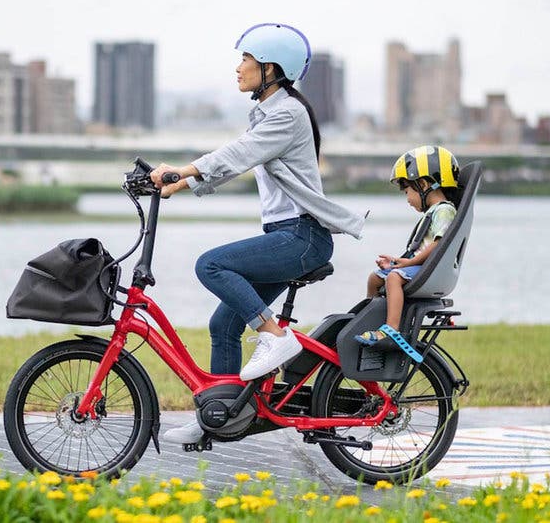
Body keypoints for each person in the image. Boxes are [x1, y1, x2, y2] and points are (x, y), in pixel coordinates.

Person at [150, 23, 364, 444]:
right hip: (289, 236)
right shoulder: (269, 113)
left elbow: (239, 153)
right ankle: (221, 413)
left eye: (245, 60)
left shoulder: (288, 113)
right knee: (223, 325)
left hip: (302, 238)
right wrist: (181, 183)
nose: (238, 68)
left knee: (211, 264)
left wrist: (185, 168)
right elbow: (235, 161)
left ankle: (273, 337)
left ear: (271, 67)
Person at [354, 145, 459, 348]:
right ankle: (371, 321)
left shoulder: (444, 210)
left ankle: (391, 329)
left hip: (432, 270)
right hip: (424, 266)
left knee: (393, 278)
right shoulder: (435, 211)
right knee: (375, 278)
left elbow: (438, 246)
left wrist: (406, 265)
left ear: (422, 184)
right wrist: (398, 262)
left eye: (407, 191)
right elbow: (425, 250)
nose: (408, 199)